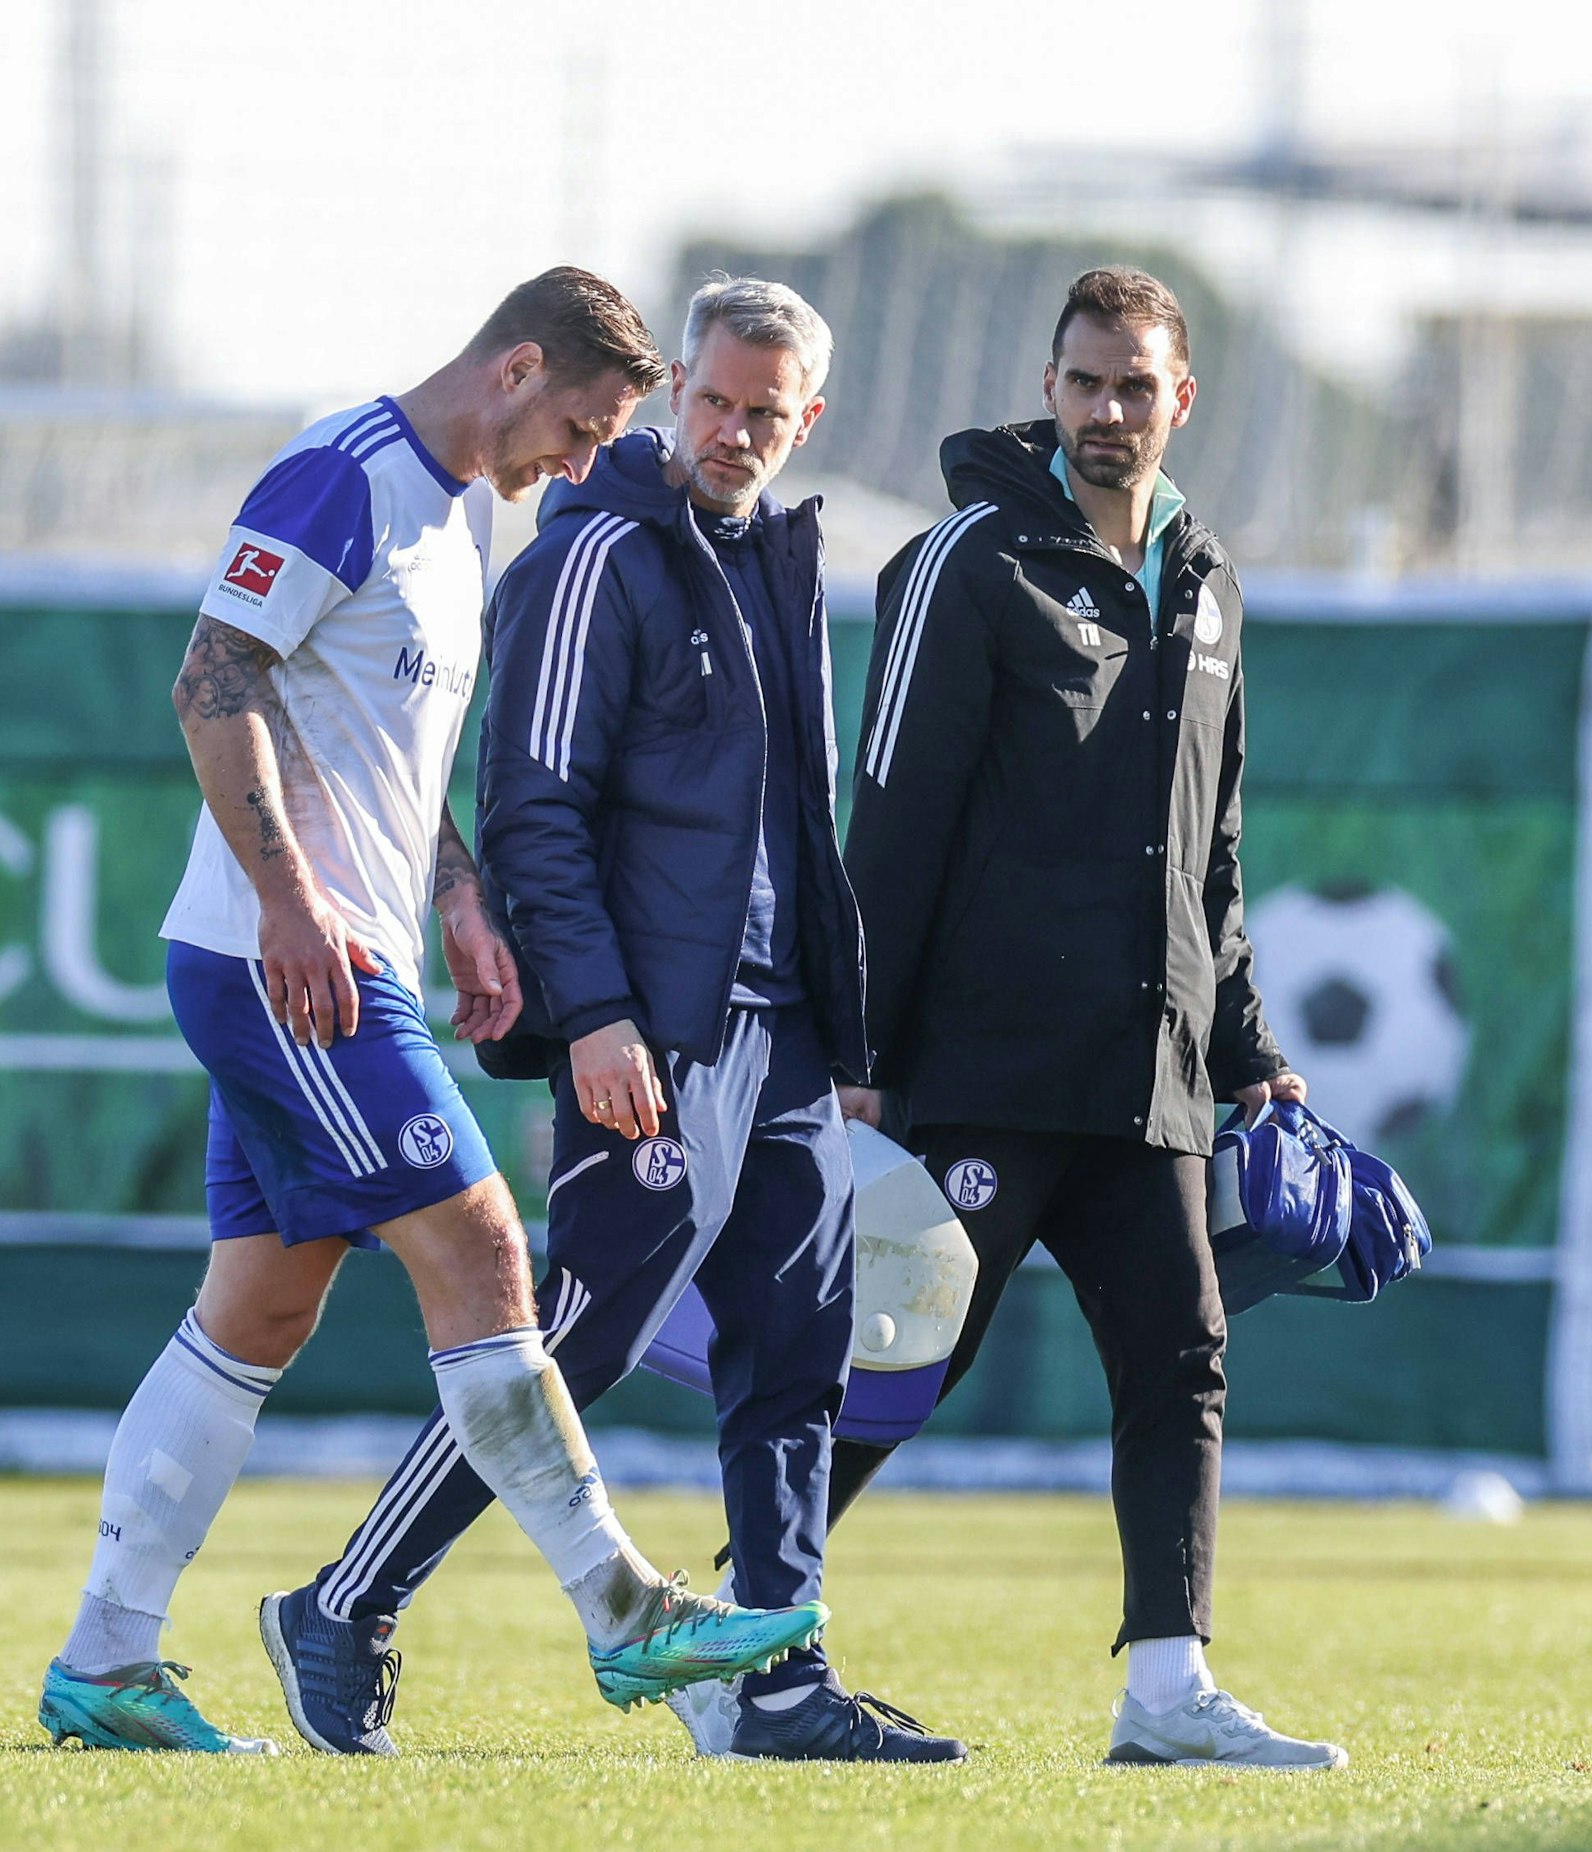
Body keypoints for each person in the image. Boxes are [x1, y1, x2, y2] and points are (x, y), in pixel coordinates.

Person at [39, 269, 828, 1756]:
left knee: (261, 1305)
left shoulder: (463, 514)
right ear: (518, 366)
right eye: (585, 426)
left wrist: (456, 896)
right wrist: (286, 903)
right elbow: (215, 682)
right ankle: (625, 1611)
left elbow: (378, 753)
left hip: (353, 953)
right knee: (481, 1243)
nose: (587, 463)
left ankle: (105, 1657)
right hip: (289, 964)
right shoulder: (341, 476)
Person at [261, 278, 966, 1765]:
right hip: (651, 1033)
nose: (731, 432)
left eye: (764, 414)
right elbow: (533, 807)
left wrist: (841, 1054)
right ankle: (346, 1602)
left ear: (807, 419)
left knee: (802, 1358)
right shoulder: (595, 553)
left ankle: (776, 1687)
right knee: (576, 1336)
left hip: (780, 1044)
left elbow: (792, 824)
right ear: (675, 393)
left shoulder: (781, 554)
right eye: (710, 401)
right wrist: (594, 1015)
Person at [831, 267, 1348, 1770]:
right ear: (1048, 390)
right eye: (1083, 382)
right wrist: (860, 1058)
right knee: (894, 1363)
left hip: (1153, 1072)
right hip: (984, 1067)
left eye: (1136, 385)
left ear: (1183, 397)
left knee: (1180, 1356)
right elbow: (894, 822)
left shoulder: (1210, 577)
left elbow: (1215, 846)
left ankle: (1168, 1690)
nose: (1108, 411)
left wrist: (1244, 1047)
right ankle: (751, 1641)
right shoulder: (966, 560)